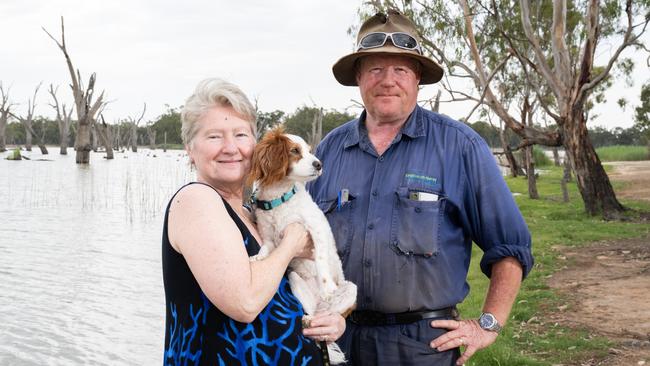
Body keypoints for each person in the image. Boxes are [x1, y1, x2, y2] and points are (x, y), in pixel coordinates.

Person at [308, 10, 534, 366]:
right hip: (339, 339)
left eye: (400, 69)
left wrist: (488, 324)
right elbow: (302, 243)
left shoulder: (459, 147)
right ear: (358, 77)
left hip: (423, 346)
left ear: (417, 79)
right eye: (375, 69)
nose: (388, 80)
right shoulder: (328, 152)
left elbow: (510, 246)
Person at [162, 78, 345, 365]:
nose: (230, 147)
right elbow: (245, 303)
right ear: (190, 148)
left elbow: (281, 294)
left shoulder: (250, 213)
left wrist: (332, 321)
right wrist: (291, 244)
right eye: (214, 136)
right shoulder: (197, 200)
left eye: (240, 135)